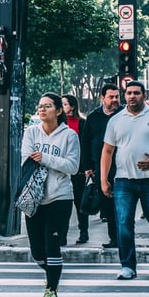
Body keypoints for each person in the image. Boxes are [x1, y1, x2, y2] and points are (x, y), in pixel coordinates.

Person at [100, 81, 149, 280]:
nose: (132, 96)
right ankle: (128, 266)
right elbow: (107, 151)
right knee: (124, 223)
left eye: (136, 93)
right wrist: (103, 179)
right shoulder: (116, 120)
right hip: (123, 181)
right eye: (129, 93)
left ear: (144, 95)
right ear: (125, 95)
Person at [21, 92, 80, 297]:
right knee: (37, 251)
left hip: (60, 196)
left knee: (52, 244)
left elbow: (72, 166)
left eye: (47, 106)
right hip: (34, 197)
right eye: (40, 106)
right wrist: (48, 160)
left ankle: (51, 291)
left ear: (58, 110)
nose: (42, 109)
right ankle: (53, 273)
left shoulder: (69, 136)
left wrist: (45, 158)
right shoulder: (31, 132)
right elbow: (26, 160)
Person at [81, 84, 123, 249]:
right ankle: (114, 238)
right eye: (111, 97)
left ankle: (124, 238)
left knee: (123, 205)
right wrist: (88, 166)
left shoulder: (124, 114)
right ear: (102, 98)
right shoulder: (93, 117)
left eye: (117, 97)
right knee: (107, 205)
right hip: (101, 168)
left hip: (123, 167)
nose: (114, 100)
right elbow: (85, 142)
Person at [61, 94, 88, 245]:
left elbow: (85, 146)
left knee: (79, 202)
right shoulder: (58, 123)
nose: (62, 107)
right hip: (61, 168)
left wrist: (87, 167)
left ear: (72, 106)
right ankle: (62, 234)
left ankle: (84, 231)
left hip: (78, 169)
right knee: (63, 203)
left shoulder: (82, 123)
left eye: (64, 104)